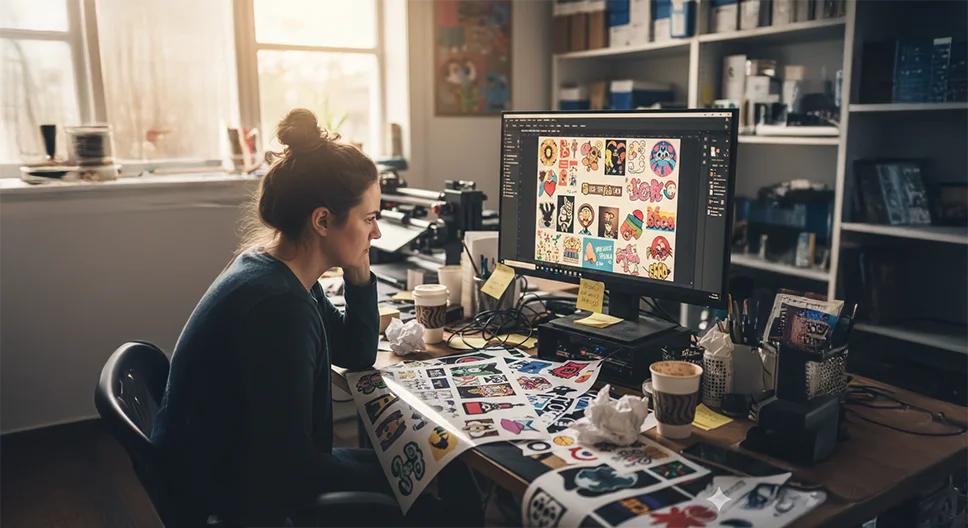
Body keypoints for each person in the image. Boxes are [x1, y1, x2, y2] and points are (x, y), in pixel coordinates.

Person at [151, 108, 482, 527]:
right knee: (439, 482)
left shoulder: (279, 270)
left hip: (232, 469)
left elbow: (354, 352)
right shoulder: (277, 306)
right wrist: (411, 478)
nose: (377, 233)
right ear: (323, 220)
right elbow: (292, 471)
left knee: (430, 466)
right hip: (235, 496)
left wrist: (359, 272)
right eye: (369, 219)